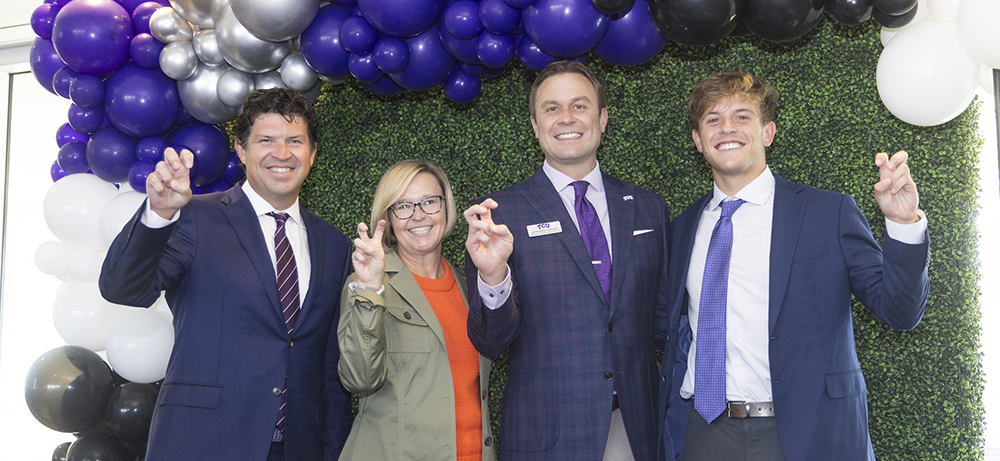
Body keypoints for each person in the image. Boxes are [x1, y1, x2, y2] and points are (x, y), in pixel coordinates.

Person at [659, 70, 930, 461]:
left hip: (809, 432)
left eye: (742, 116)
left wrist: (903, 223)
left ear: (768, 132)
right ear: (698, 141)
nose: (727, 128)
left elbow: (901, 311)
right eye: (713, 119)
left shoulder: (828, 212)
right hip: (706, 433)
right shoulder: (684, 227)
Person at [99, 88, 354, 461]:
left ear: (312, 154)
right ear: (241, 149)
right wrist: (157, 215)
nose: (281, 154)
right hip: (204, 442)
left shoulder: (334, 244)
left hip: (299, 448)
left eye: (295, 141)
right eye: (266, 140)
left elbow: (329, 370)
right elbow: (123, 288)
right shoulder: (194, 216)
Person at [464, 61, 672, 461]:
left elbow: (665, 323)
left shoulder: (648, 208)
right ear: (535, 124)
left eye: (580, 105)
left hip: (637, 429)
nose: (567, 119)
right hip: (549, 434)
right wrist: (493, 276)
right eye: (552, 108)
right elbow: (490, 342)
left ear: (602, 118)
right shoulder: (499, 214)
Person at [337, 160, 496, 461]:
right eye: (404, 206)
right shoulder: (369, 284)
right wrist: (370, 290)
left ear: (446, 208)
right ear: (389, 218)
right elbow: (360, 379)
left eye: (429, 202)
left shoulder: (469, 285)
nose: (418, 215)